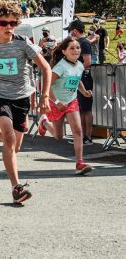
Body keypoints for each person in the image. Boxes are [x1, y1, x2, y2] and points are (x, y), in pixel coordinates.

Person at [0, 0, 52, 204]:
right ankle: (16, 187)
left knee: (15, 147)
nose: (9, 26)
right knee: (9, 139)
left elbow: (46, 68)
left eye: (13, 23)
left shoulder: (23, 43)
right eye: (4, 22)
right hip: (0, 97)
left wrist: (44, 95)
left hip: (22, 97)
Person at [38, 37, 93, 175]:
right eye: (72, 48)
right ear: (64, 51)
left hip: (71, 101)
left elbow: (77, 80)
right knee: (58, 136)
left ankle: (79, 162)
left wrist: (84, 91)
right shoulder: (60, 67)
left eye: (78, 48)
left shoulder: (80, 65)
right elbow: (47, 85)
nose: (76, 50)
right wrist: (56, 102)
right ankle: (44, 123)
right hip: (55, 102)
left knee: (78, 130)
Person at [65, 19, 93, 145]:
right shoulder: (79, 43)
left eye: (70, 31)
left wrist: (75, 68)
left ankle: (88, 137)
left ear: (75, 31)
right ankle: (81, 136)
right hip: (77, 78)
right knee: (80, 108)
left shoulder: (85, 43)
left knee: (86, 109)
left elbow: (88, 62)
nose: (70, 34)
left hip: (84, 78)